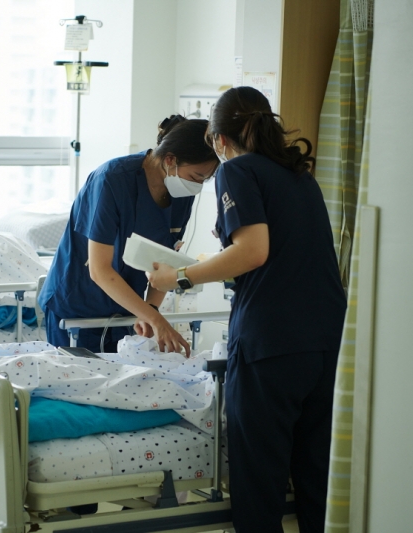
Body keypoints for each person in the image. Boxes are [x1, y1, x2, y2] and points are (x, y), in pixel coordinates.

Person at [148, 87, 347, 533]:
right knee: (316, 476)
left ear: (219, 140)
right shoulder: (299, 176)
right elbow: (281, 253)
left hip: (272, 344)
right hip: (325, 340)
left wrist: (180, 277)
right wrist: (214, 258)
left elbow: (253, 252)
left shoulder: (237, 170)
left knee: (260, 481)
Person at [39, 115, 219, 356]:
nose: (198, 186)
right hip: (77, 306)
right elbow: (99, 270)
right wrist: (154, 318)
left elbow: (163, 261)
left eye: (205, 180)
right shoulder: (111, 180)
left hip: (126, 310)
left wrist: (150, 308)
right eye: (196, 177)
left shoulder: (180, 193)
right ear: (170, 160)